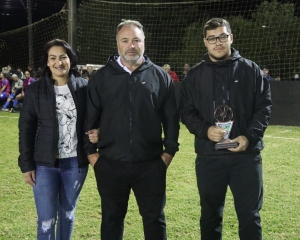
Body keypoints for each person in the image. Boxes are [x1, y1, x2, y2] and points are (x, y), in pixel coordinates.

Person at [84, 19, 180, 240]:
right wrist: (92, 154)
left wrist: (169, 152)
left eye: (136, 40)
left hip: (150, 165)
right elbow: (89, 119)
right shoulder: (101, 77)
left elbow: (171, 118)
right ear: (117, 43)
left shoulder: (160, 76)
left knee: (154, 219)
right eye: (125, 40)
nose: (131, 45)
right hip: (110, 164)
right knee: (111, 219)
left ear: (144, 42)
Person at [179, 18, 272, 240]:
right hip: (210, 157)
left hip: (246, 158)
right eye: (212, 38)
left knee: (250, 216)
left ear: (230, 38)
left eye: (222, 37)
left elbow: (264, 108)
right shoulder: (194, 75)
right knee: (210, 217)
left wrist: (249, 137)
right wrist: (205, 130)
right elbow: (186, 112)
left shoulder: (251, 70)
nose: (217, 42)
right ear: (205, 42)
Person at [18, 39, 98, 240]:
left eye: (63, 57)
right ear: (47, 62)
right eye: (53, 58)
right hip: (44, 165)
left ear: (70, 59)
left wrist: (99, 134)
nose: (58, 62)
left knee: (67, 215)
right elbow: (26, 128)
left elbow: (95, 120)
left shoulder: (83, 87)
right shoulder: (36, 90)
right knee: (46, 219)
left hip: (75, 164)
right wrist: (26, 164)